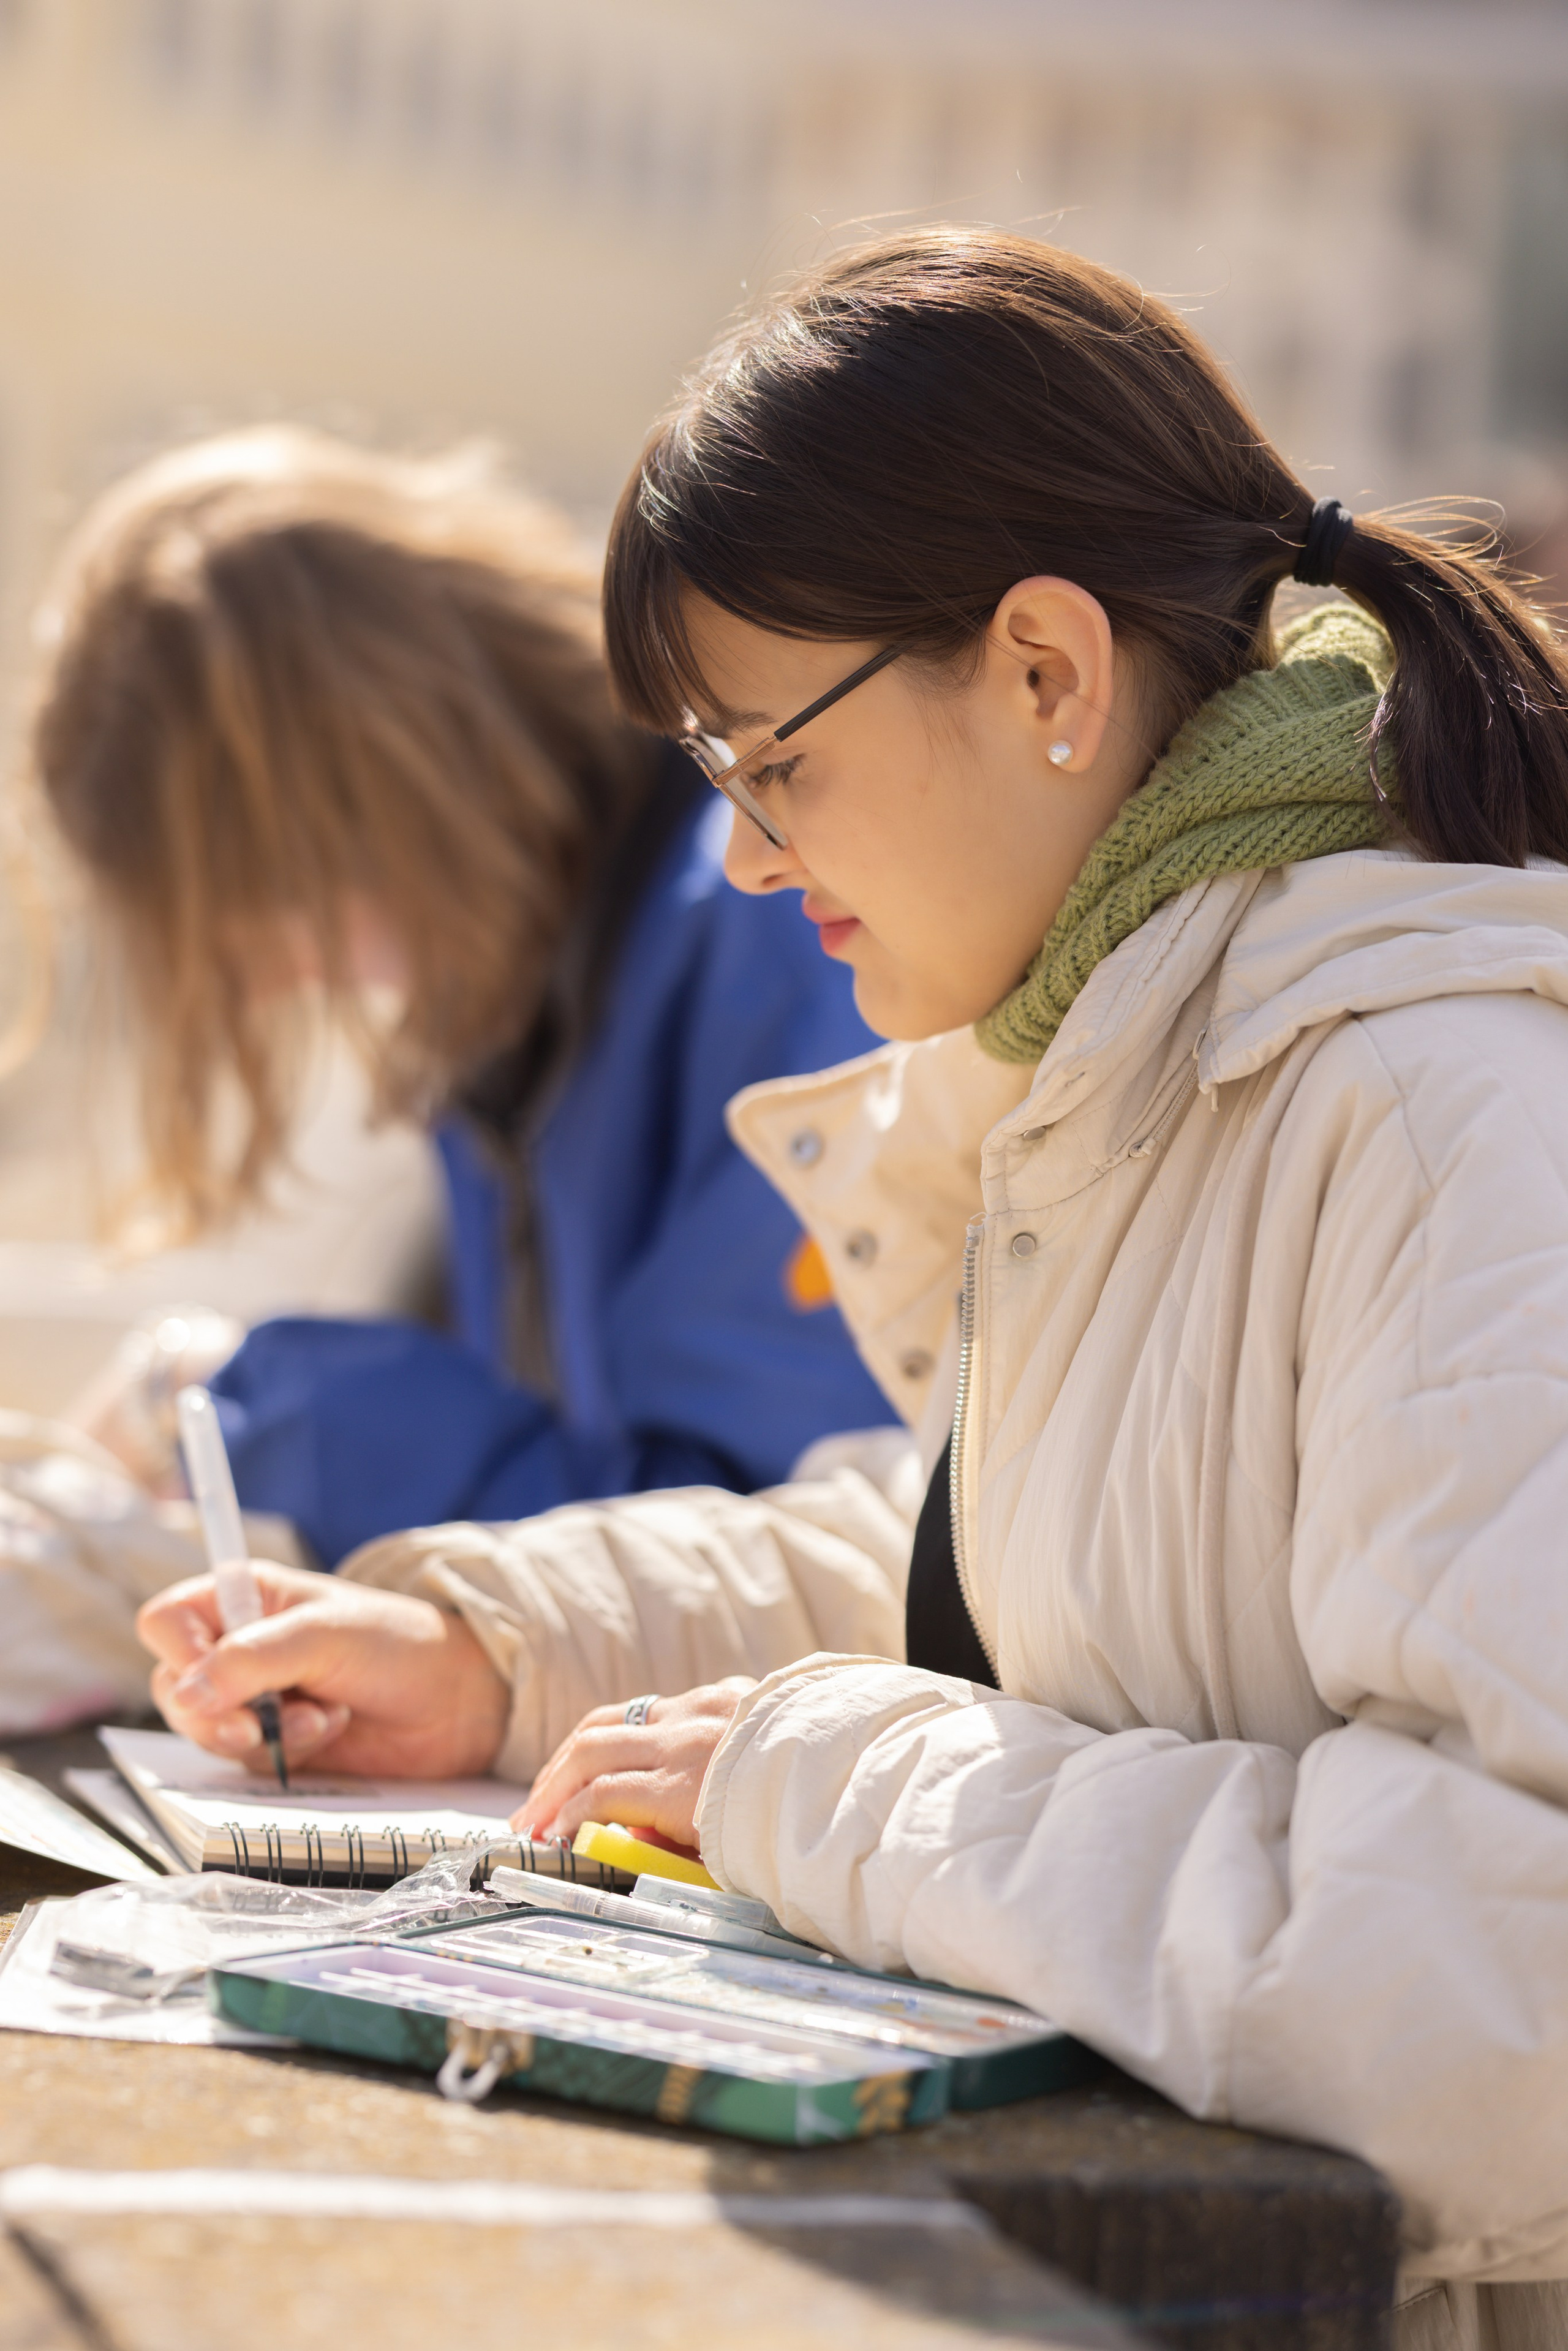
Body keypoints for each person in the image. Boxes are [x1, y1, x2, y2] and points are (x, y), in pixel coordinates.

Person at [138, 231, 1568, 2341]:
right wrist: (503, 1647)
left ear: (1048, 673)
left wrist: (841, 1790)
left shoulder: (1444, 1114)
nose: (741, 856)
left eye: (770, 759)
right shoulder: (1142, 1054)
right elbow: (1007, 1573)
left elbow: (1505, 1982)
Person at [30, 428, 895, 1568]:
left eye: (266, 920)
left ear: (373, 799)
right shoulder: (518, 1003)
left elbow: (765, 1536)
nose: (289, 981)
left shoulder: (774, 925)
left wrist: (247, 1408)